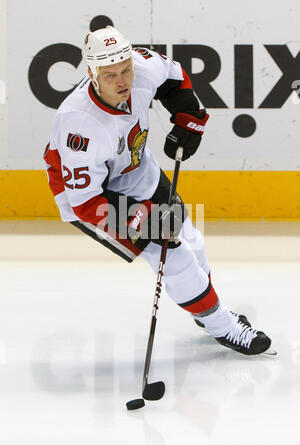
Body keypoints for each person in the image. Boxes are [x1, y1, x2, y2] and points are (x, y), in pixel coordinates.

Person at [44, 26, 273, 356]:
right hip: (91, 196)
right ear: (92, 73)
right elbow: (86, 202)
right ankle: (222, 325)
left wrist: (188, 115)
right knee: (173, 253)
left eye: (126, 70)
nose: (123, 81)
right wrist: (144, 218)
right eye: (111, 76)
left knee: (191, 239)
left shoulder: (140, 65)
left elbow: (173, 77)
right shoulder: (79, 126)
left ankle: (203, 309)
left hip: (136, 168)